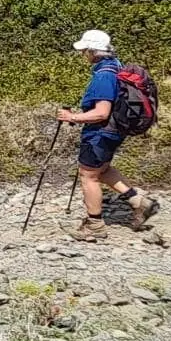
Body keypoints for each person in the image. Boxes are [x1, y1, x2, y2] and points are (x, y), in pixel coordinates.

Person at [57, 30, 156, 241]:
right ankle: (138, 202)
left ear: (93, 51)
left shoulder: (103, 76)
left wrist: (72, 117)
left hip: (100, 133)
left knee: (88, 175)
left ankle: (95, 225)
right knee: (102, 170)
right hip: (114, 131)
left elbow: (102, 112)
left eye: (85, 50)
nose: (83, 54)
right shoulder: (116, 65)